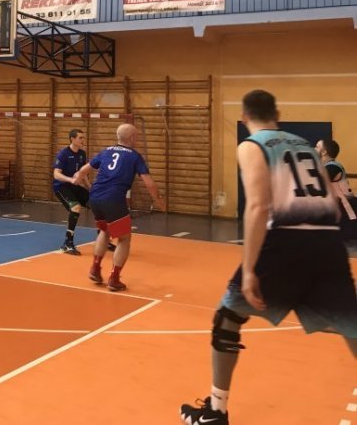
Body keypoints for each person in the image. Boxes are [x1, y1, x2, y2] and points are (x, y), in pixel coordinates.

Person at [180, 90, 357, 424]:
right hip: (328, 242)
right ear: (278, 114)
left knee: (227, 318)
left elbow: (259, 205)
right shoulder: (307, 146)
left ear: (245, 117)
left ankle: (216, 411)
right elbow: (331, 206)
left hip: (287, 240)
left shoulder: (253, 145)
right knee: (351, 324)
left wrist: (250, 268)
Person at [73, 123, 162, 292]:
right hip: (113, 199)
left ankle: (95, 268)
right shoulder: (135, 156)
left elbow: (84, 170)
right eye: (137, 136)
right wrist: (158, 200)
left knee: (105, 230)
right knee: (124, 239)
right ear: (132, 138)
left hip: (95, 197)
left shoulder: (106, 151)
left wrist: (78, 178)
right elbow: (149, 183)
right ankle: (114, 278)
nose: (138, 139)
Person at [52, 129, 114, 255]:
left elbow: (83, 173)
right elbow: (56, 174)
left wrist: (91, 189)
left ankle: (103, 240)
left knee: (98, 205)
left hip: (75, 186)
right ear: (72, 139)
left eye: (83, 137)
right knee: (75, 208)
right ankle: (67, 244)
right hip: (61, 187)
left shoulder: (82, 154)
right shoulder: (63, 154)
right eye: (80, 138)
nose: (82, 140)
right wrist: (71, 179)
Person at [316, 139, 357, 238]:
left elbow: (316, 182)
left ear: (324, 152)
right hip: (339, 209)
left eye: (317, 147)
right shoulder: (326, 166)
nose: (314, 149)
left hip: (346, 210)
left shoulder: (333, 167)